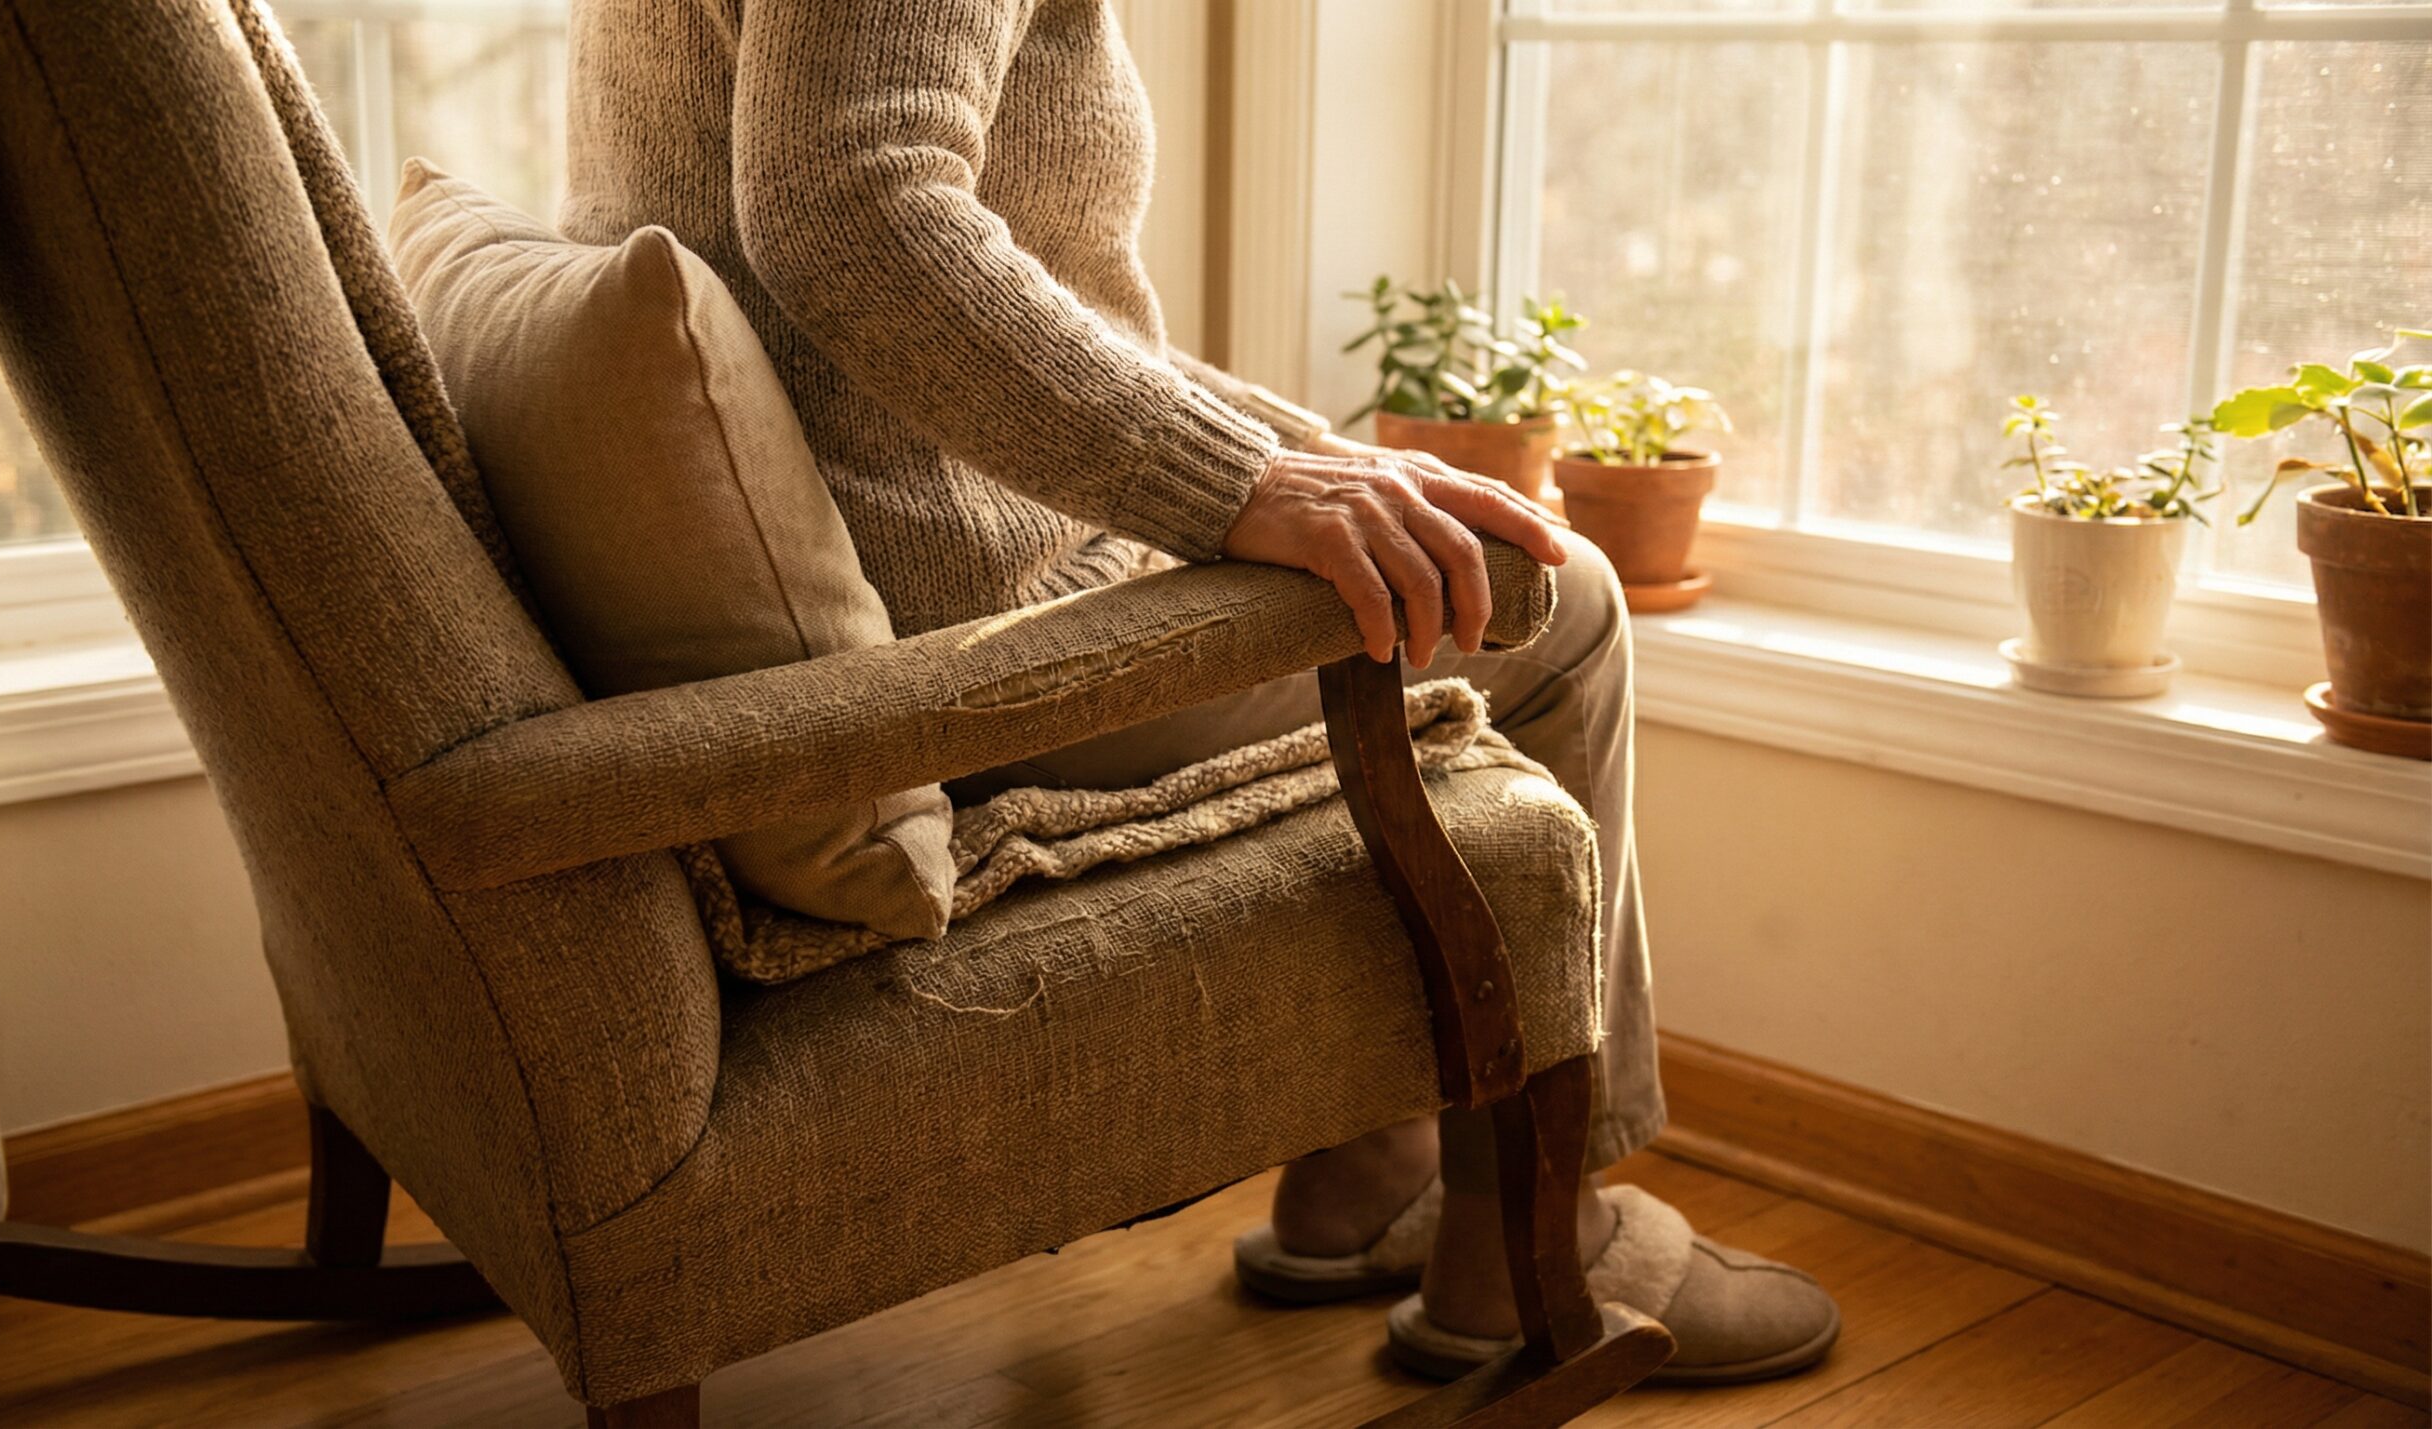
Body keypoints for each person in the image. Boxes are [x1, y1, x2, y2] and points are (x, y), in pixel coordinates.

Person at [562, 0, 1839, 1383]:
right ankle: (1528, 1243)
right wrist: (1243, 484)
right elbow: (851, 207)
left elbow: (1024, 275)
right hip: (954, 636)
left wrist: (1313, 467)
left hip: (903, 574)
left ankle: (1368, 1164)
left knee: (1420, 566)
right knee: (1559, 604)